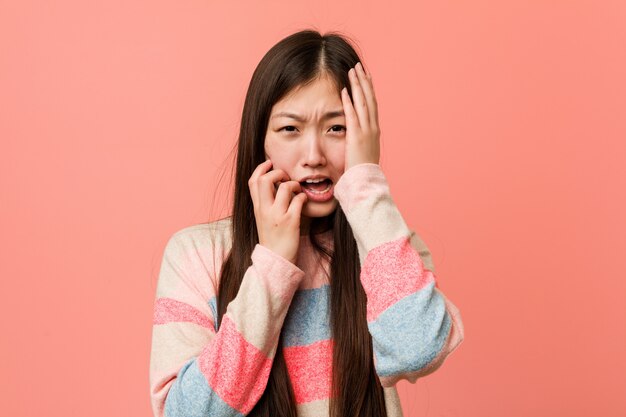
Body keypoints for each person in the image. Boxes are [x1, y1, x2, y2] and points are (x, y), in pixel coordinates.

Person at [149, 29, 464, 417]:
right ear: (259, 140)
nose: (313, 155)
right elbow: (187, 413)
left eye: (337, 128)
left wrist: (365, 184)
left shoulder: (383, 244)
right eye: (290, 129)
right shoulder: (198, 254)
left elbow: (417, 349)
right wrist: (271, 267)